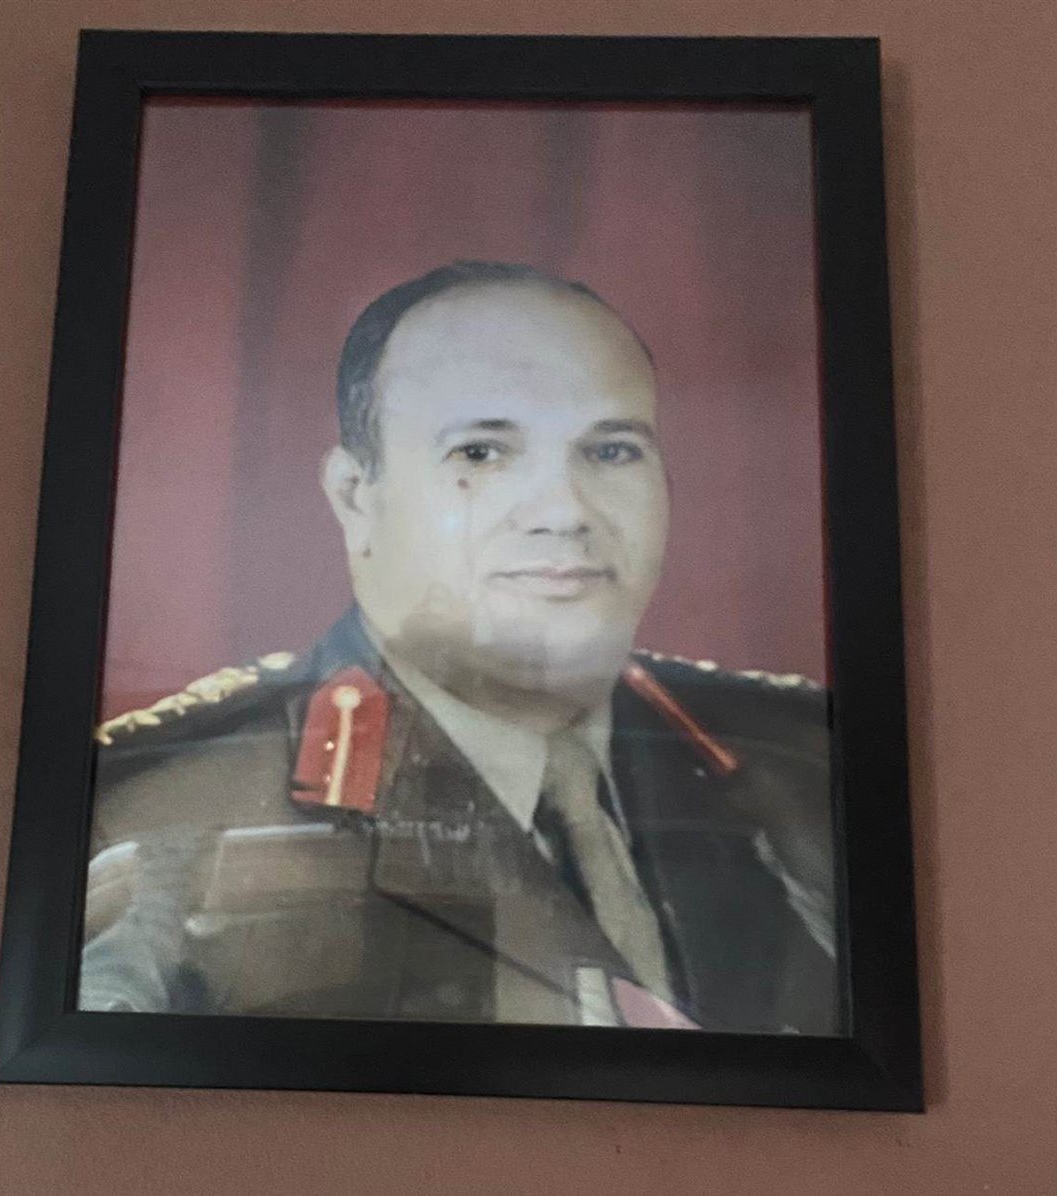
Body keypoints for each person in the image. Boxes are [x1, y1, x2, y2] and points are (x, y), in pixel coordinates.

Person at [80, 261, 838, 1034]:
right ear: (355, 497)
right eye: (481, 453)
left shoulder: (808, 770)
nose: (564, 512)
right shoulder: (155, 816)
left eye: (612, 451)